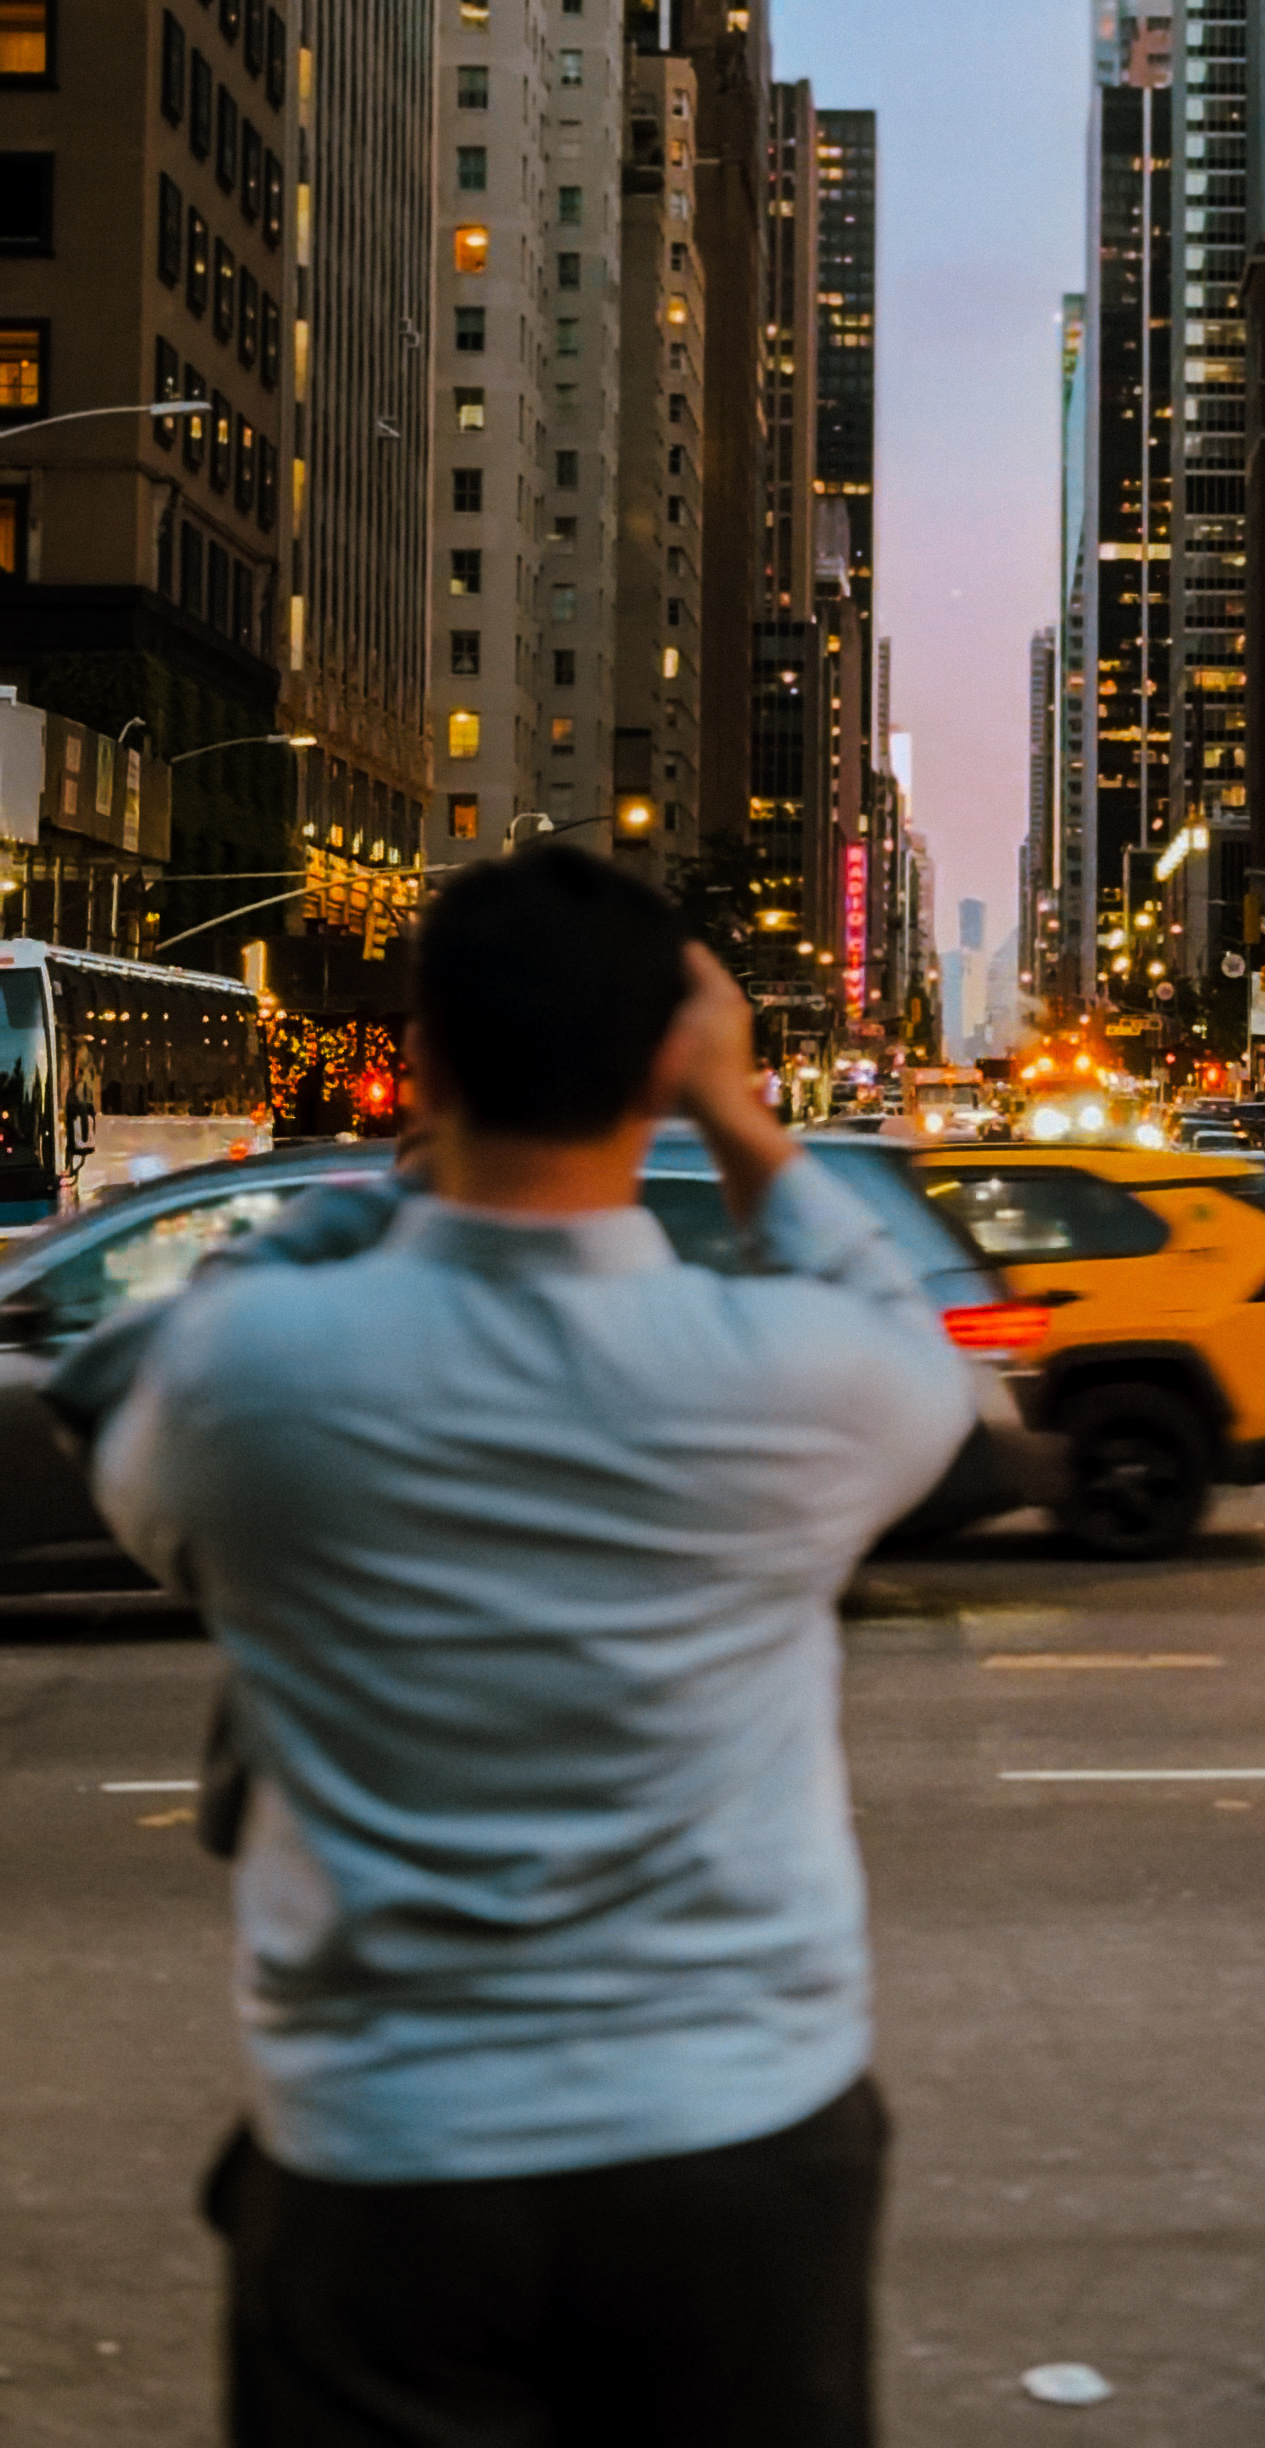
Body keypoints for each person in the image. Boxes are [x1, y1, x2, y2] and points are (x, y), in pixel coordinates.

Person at [92, 844, 974, 2448]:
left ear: (420, 1065)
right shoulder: (787, 1376)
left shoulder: (255, 1377)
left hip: (384, 2159)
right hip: (736, 2138)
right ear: (666, 1060)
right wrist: (742, 1115)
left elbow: (159, 1410)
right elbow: (910, 1322)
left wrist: (390, 1187)